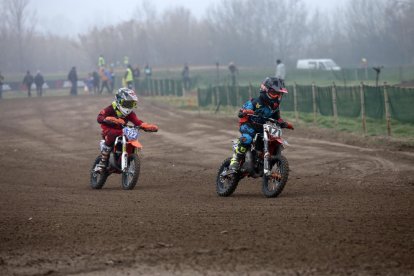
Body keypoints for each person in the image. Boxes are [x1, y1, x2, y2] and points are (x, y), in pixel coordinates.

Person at [228, 77, 294, 173]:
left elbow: (277, 118)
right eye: (274, 93)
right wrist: (244, 112)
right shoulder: (255, 102)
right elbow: (242, 111)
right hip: (248, 124)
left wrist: (283, 123)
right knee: (248, 138)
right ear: (265, 90)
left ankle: (273, 163)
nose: (276, 97)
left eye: (279, 94)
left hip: (261, 127)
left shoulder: (274, 107)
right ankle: (236, 160)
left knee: (273, 140)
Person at [96, 87, 159, 171]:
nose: (129, 107)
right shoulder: (111, 108)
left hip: (122, 130)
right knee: (113, 133)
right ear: (119, 100)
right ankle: (103, 161)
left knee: (129, 137)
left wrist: (146, 126)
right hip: (108, 129)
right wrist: (108, 119)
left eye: (131, 104)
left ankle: (128, 157)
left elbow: (137, 122)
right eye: (127, 104)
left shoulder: (130, 113)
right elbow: (99, 117)